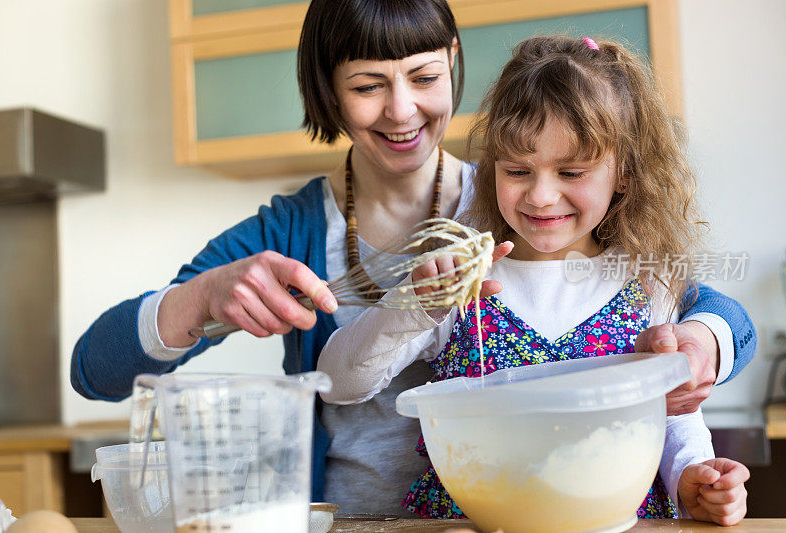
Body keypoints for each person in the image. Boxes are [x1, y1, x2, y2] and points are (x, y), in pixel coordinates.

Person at [70, 0, 755, 515]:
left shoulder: (521, 192)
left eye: (423, 76)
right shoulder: (290, 228)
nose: (403, 110)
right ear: (327, 91)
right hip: (362, 521)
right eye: (368, 85)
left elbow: (699, 309)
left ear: (452, 60)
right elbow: (93, 369)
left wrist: (704, 340)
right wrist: (202, 298)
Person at [317, 35, 750, 524]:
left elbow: (674, 417)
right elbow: (337, 383)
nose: (541, 196)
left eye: (571, 171)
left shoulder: (649, 284)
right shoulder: (461, 283)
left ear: (624, 173)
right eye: (518, 170)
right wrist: (413, 307)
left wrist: (692, 475)